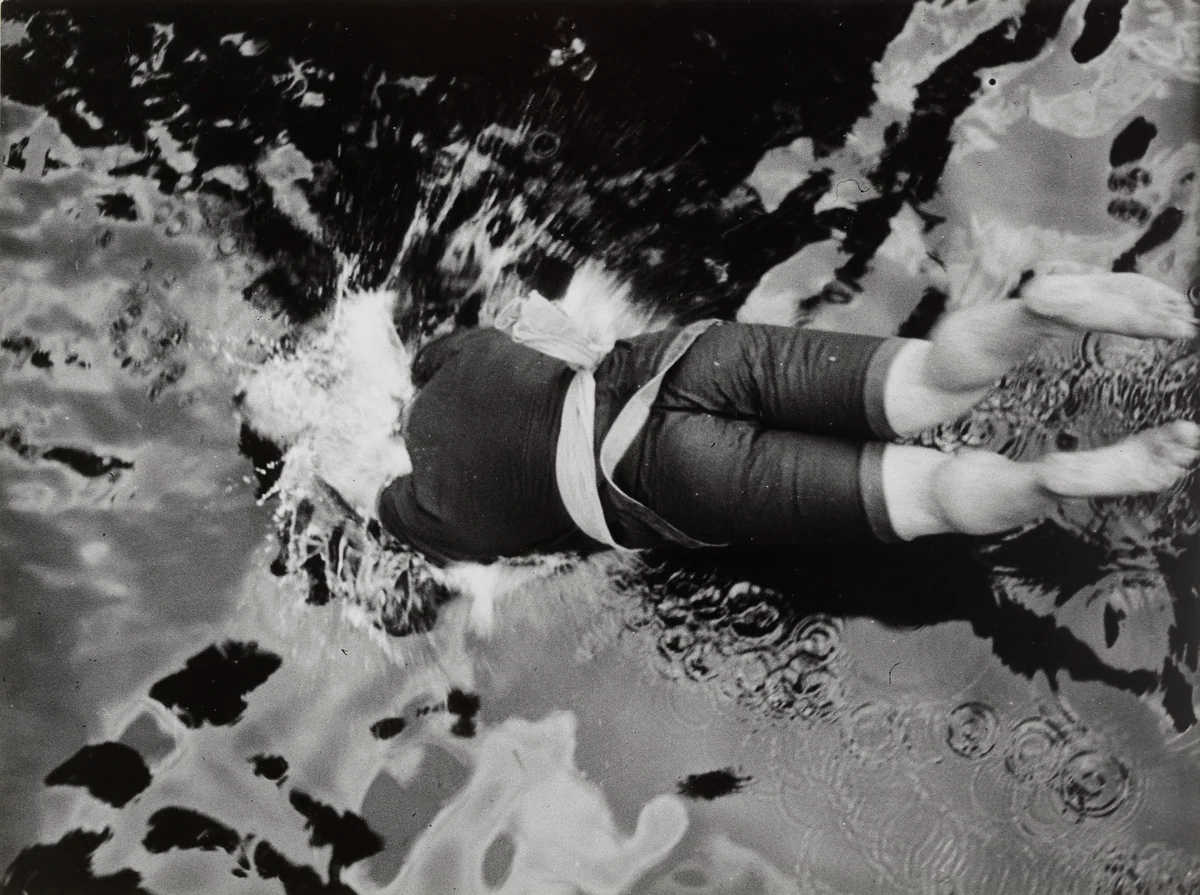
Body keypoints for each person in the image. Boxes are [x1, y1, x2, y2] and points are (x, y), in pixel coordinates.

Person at [319, 271, 1199, 566]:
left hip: (670, 478)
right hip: (683, 360)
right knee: (928, 378)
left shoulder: (428, 514)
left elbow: (362, 498)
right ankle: (1040, 308)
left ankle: (1050, 479)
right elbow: (494, 334)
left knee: (928, 491)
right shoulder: (454, 361)